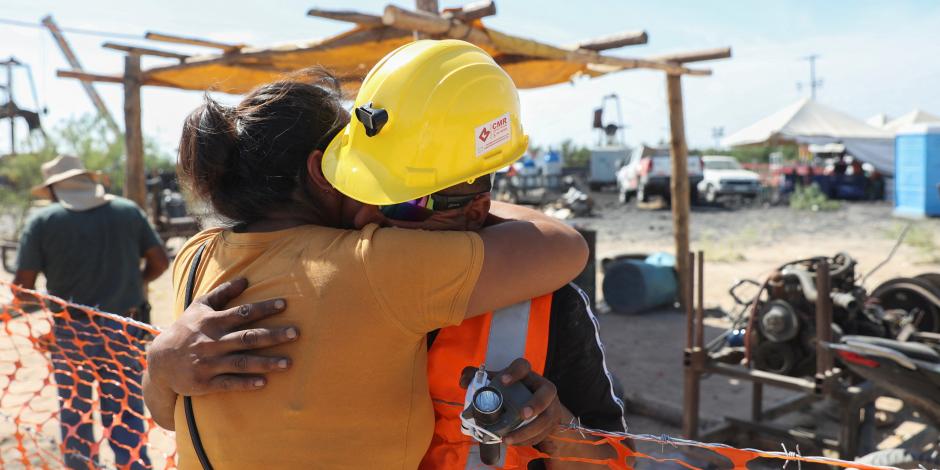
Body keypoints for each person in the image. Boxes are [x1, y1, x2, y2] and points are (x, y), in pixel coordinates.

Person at [143, 40, 588, 469]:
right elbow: (564, 245)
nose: (368, 211)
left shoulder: (196, 257)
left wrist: (158, 366)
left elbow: (168, 415)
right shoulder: (375, 265)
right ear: (322, 172)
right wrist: (445, 194)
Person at [12, 154, 169, 469]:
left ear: (55, 190)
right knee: (125, 413)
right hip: (124, 329)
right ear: (89, 181)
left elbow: (23, 290)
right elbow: (160, 262)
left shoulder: (43, 223)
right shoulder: (127, 212)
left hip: (70, 336)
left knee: (75, 417)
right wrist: (134, 282)